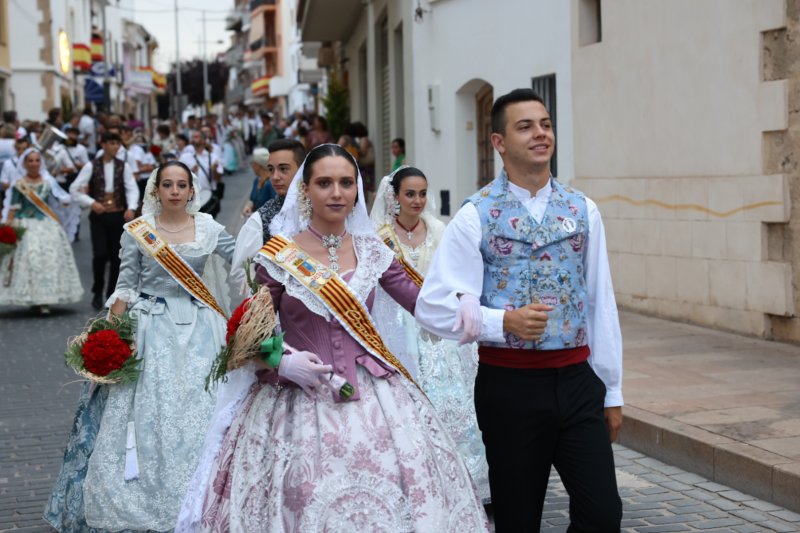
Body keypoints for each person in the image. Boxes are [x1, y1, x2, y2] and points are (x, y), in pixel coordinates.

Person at [176, 144, 489, 532]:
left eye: (346, 183)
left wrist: (483, 309)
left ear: (357, 190)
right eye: (324, 183)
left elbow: (424, 304)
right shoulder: (278, 256)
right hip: (295, 403)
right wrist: (282, 361)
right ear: (305, 190)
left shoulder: (375, 251)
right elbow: (245, 337)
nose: (337, 193)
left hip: (377, 396)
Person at [416, 88, 624, 532]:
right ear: (498, 142)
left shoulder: (584, 210)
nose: (540, 134)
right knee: (518, 520)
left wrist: (613, 390)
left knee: (603, 514)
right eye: (525, 126)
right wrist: (500, 322)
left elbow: (600, 302)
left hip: (576, 383)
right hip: (509, 386)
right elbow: (431, 306)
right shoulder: (476, 215)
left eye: (545, 124)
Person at [45, 160, 235, 532]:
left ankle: (204, 498)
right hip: (151, 328)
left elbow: (244, 256)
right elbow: (127, 283)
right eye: (168, 184)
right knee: (150, 411)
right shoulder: (139, 231)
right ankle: (144, 496)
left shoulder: (209, 228)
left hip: (202, 328)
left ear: (192, 190)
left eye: (182, 185)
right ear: (156, 190)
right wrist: (112, 332)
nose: (176, 191)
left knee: (201, 407)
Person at [369, 165, 490, 501]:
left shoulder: (439, 229)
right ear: (394, 197)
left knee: (456, 405)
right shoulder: (379, 237)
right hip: (398, 329)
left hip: (440, 332)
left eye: (422, 193)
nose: (418, 200)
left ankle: (466, 479)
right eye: (410, 193)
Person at [0, 148, 82, 314]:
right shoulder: (19, 185)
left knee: (49, 259)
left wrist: (69, 201)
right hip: (24, 225)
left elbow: (59, 200)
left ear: (41, 163)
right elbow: (14, 207)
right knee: (30, 260)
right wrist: (6, 226)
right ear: (24, 163)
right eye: (30, 160)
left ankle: (45, 299)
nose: (34, 164)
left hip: (46, 224)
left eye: (37, 160)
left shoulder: (47, 182)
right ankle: (31, 296)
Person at [70, 132, 139, 310]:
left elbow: (132, 188)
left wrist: (131, 207)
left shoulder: (123, 166)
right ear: (103, 145)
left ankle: (111, 293)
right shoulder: (91, 166)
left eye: (117, 144)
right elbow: (75, 188)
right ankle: (97, 289)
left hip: (117, 215)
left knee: (117, 258)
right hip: (99, 216)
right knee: (100, 255)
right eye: (111, 143)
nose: (115, 147)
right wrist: (91, 203)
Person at [231, 139, 305, 293]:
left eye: (283, 169)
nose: (275, 176)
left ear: (302, 171)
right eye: (271, 169)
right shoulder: (260, 219)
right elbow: (243, 274)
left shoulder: (320, 212)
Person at [180, 130, 223, 217]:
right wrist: (189, 173)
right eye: (192, 137)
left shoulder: (213, 157)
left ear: (203, 140)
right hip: (192, 198)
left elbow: (218, 179)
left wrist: (214, 170)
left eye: (196, 136)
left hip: (209, 196)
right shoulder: (185, 157)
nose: (193, 139)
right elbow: (178, 177)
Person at [241, 147, 276, 219]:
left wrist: (255, 215)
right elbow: (252, 199)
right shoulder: (256, 180)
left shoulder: (271, 184)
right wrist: (248, 207)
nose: (252, 166)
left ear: (259, 165)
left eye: (253, 163)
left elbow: (275, 209)